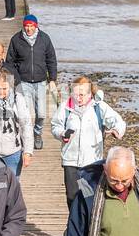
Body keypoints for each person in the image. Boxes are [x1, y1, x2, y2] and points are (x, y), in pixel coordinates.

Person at [51, 75, 126, 210]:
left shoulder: (99, 107)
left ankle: (88, 227)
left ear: (90, 93)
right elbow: (55, 126)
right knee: (72, 196)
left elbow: (118, 121)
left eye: (82, 95)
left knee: (87, 196)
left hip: (91, 162)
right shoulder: (65, 107)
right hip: (71, 161)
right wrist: (62, 134)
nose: (78, 98)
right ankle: (74, 226)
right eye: (75, 94)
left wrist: (116, 130)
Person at [6, 14, 57, 150]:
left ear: (36, 26)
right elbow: (9, 63)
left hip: (40, 82)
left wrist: (52, 79)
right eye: (26, 26)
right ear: (23, 26)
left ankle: (37, 133)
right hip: (23, 81)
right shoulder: (16, 39)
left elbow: (51, 59)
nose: (29, 28)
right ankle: (26, 138)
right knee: (26, 114)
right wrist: (14, 80)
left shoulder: (44, 39)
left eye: (31, 26)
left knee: (41, 114)